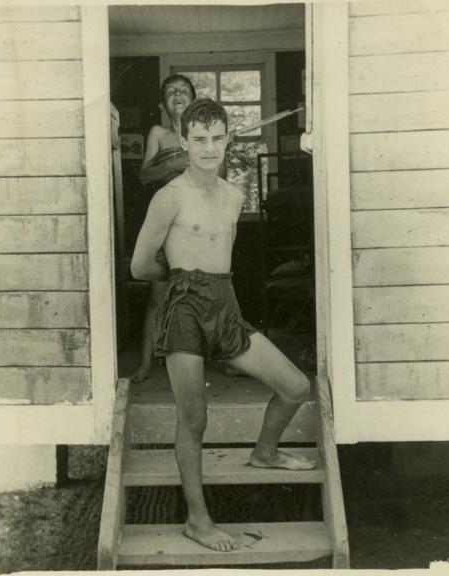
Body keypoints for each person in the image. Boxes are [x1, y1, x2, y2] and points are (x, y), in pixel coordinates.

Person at [131, 98, 315, 552]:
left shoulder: (235, 195)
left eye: (217, 138)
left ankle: (265, 452)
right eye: (199, 139)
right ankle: (198, 519)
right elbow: (139, 266)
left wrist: (211, 293)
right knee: (194, 418)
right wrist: (179, 283)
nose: (209, 147)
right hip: (185, 309)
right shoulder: (168, 196)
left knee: (294, 386)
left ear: (228, 140)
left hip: (226, 306)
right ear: (186, 142)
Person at [128, 74, 197, 383]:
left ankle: (224, 359)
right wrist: (173, 164)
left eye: (183, 90)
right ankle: (145, 364)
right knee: (157, 296)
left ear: (194, 100)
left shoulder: (204, 134)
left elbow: (219, 175)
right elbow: (144, 176)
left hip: (197, 223)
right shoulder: (158, 132)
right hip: (164, 224)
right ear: (162, 104)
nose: (177, 93)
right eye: (171, 91)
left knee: (205, 294)